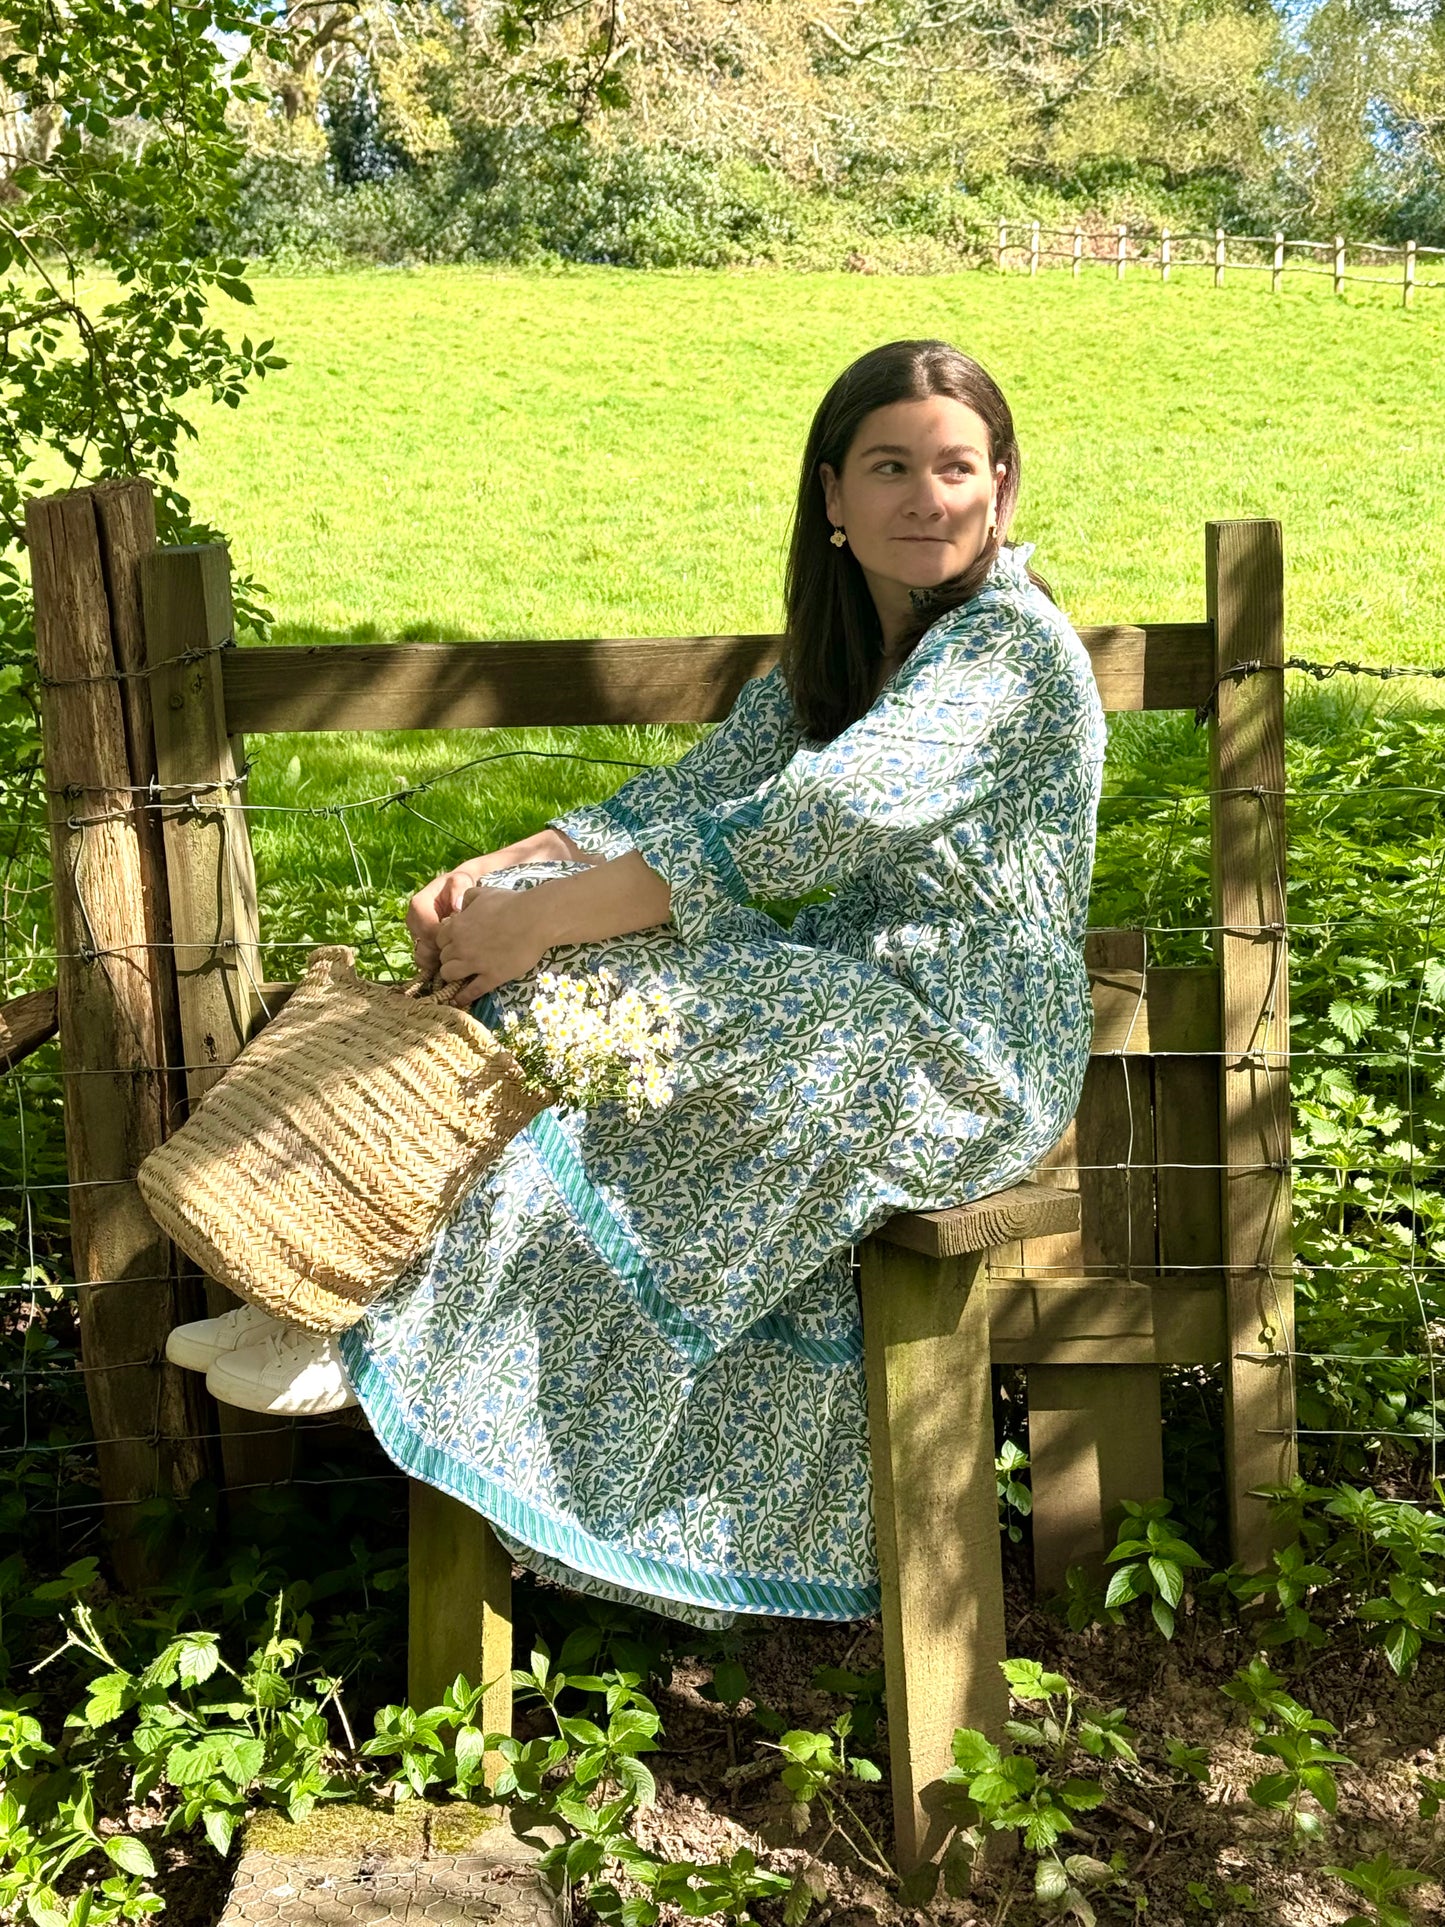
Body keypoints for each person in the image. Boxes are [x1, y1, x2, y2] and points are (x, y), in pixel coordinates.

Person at [180, 338, 1106, 1627]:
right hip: (849, 1011)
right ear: (833, 498)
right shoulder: (843, 659)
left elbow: (806, 830)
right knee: (563, 985)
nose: (926, 497)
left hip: (960, 1059)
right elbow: (681, 804)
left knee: (592, 996)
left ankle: (378, 1325)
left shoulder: (1009, 654)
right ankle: (340, 1289)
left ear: (1001, 489)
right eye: (890, 467)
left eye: (956, 468)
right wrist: (500, 876)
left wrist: (543, 920)